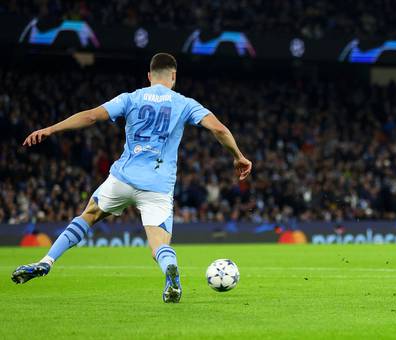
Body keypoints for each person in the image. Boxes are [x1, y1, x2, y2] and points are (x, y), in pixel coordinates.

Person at [10, 53, 252, 303]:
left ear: (149, 76)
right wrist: (238, 156)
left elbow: (91, 116)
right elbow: (219, 129)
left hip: (123, 178)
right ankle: (170, 271)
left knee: (89, 215)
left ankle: (46, 261)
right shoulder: (185, 103)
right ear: (174, 76)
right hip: (157, 187)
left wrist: (50, 129)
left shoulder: (131, 97)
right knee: (159, 245)